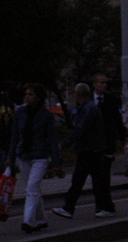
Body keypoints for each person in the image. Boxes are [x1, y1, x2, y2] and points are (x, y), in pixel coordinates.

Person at [52, 83, 115, 219]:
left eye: (75, 93)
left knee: (81, 181)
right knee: (95, 181)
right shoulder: (86, 108)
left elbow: (80, 129)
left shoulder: (88, 109)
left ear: (78, 94)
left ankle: (70, 207)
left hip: (90, 150)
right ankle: (104, 206)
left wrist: (65, 144)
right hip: (90, 150)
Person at [7, 83, 61, 233]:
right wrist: (11, 156)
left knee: (31, 188)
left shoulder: (46, 116)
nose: (27, 97)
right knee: (32, 188)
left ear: (38, 98)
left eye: (30, 94)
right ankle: (42, 219)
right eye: (26, 94)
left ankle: (29, 221)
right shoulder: (20, 113)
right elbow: (15, 135)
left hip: (40, 156)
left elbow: (52, 139)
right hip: (23, 155)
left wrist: (56, 162)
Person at [91, 73, 125, 214]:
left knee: (104, 174)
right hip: (91, 144)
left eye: (105, 83)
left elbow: (117, 120)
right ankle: (100, 203)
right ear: (94, 84)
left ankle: (106, 203)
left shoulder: (111, 100)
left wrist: (122, 138)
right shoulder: (89, 100)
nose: (104, 85)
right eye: (101, 82)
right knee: (95, 175)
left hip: (106, 143)